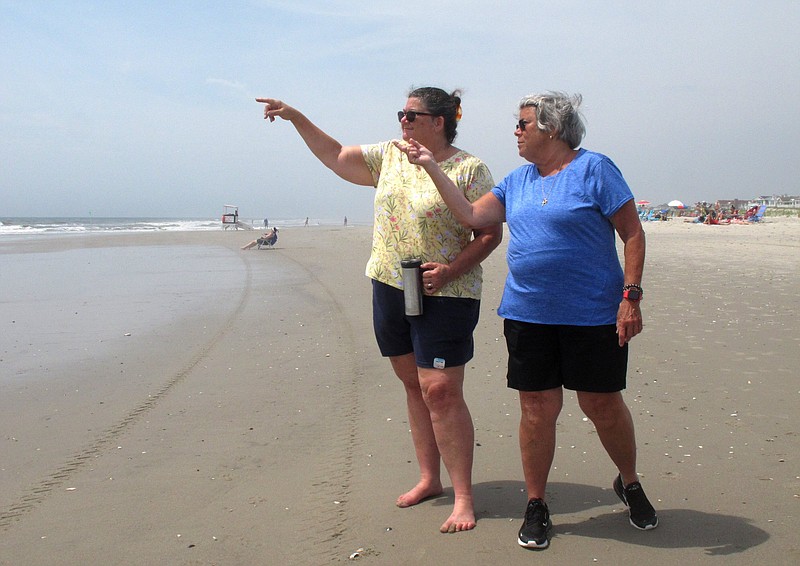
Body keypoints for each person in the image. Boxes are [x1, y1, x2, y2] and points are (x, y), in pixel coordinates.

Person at [395, 91, 657, 549]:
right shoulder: (516, 181)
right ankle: (536, 504)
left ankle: (629, 481)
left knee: (602, 406)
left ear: (551, 129)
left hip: (592, 315)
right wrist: (431, 166)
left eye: (523, 124)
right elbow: (473, 215)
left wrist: (630, 297)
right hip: (527, 315)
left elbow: (632, 233)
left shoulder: (595, 169)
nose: (515, 131)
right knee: (537, 409)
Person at [256, 88, 502, 534]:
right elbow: (335, 155)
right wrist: (296, 118)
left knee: (441, 391)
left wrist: (449, 271)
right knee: (413, 385)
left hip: (448, 291)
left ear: (439, 121)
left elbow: (489, 233)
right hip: (390, 284)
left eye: (412, 114)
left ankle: (463, 495)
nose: (403, 121)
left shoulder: (469, 168)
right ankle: (429, 479)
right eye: (401, 113)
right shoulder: (388, 155)